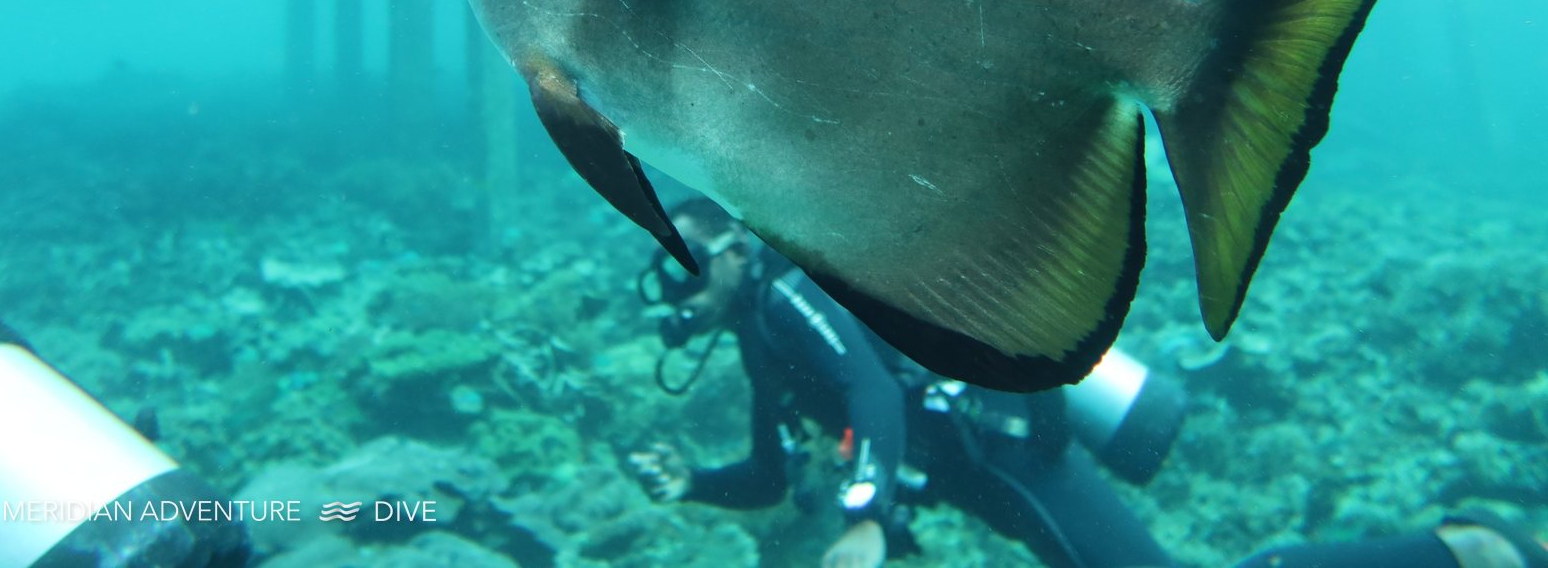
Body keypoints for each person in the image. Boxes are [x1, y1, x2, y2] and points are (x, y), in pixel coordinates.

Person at [628, 198, 1546, 568]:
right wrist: (694, 484)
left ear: (735, 249)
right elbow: (768, 477)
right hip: (984, 471)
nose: (676, 291)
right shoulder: (760, 343)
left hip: (1011, 451)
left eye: (685, 262)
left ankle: (1457, 551)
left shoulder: (788, 296)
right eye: (664, 276)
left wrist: (866, 515)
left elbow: (869, 394)